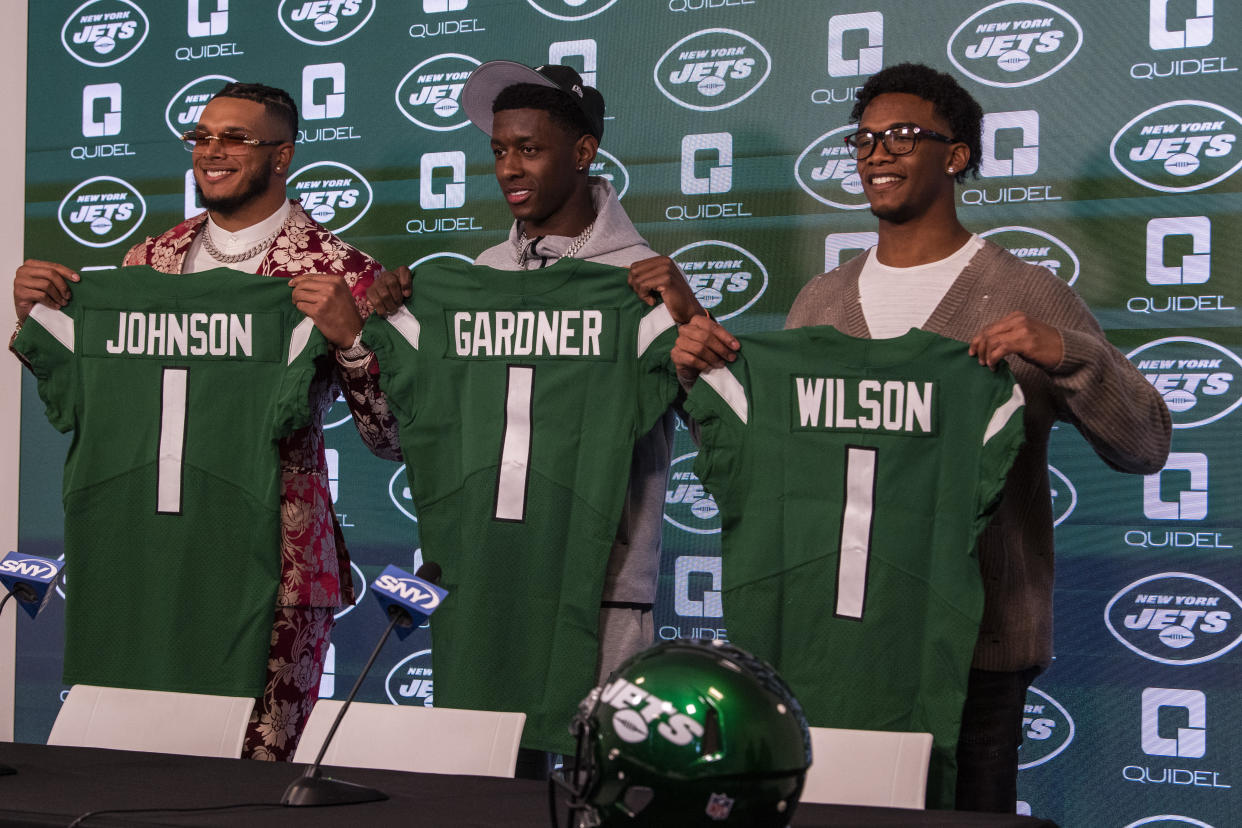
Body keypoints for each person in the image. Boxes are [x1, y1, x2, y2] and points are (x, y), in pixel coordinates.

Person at [672, 62, 1171, 811]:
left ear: (958, 154)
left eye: (902, 135)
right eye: (864, 140)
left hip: (977, 651)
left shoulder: (1027, 291)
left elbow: (1146, 444)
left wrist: (1069, 353)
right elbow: (780, 466)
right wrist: (700, 380)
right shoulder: (821, 300)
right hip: (832, 643)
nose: (877, 153)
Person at [12, 82, 401, 761]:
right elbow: (107, 398)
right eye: (200, 136)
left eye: (233, 139)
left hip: (277, 563)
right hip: (150, 549)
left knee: (253, 777)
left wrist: (353, 343)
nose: (210, 152)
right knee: (132, 769)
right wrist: (38, 319)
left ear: (281, 157)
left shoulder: (342, 273)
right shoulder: (148, 261)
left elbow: (392, 435)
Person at [368, 62, 704, 685]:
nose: (509, 169)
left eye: (529, 149)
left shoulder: (642, 283)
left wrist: (691, 325)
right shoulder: (478, 277)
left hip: (600, 582)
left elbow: (721, 434)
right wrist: (389, 325)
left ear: (583, 152)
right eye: (498, 151)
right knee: (487, 774)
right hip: (484, 576)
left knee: (597, 768)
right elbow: (407, 431)